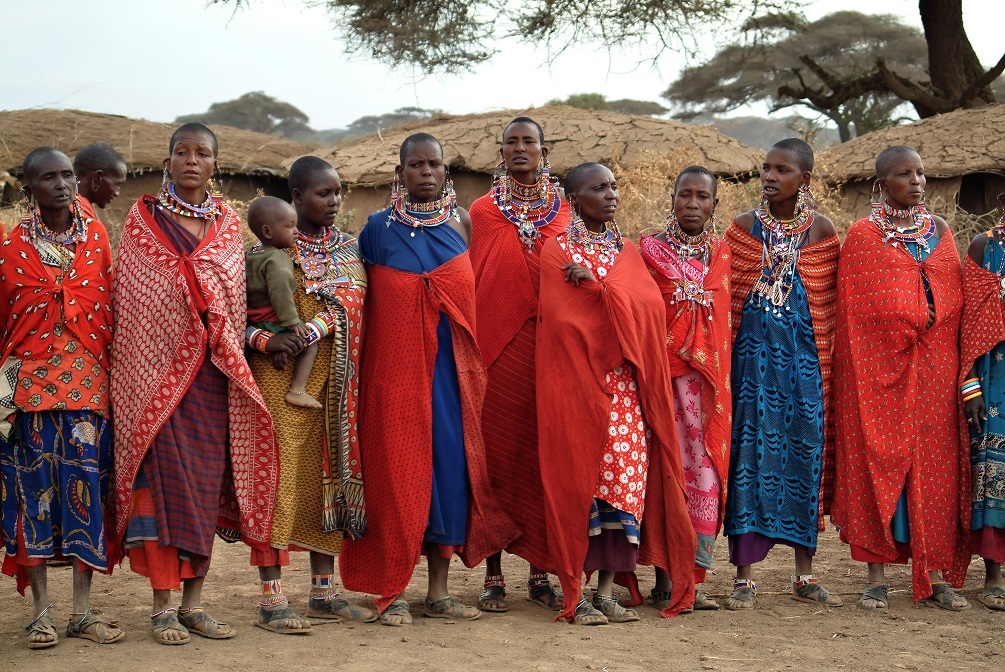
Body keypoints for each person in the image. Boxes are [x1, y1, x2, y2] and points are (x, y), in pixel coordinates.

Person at [111, 123, 279, 644]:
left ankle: (194, 604)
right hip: (153, 383)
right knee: (157, 495)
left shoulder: (228, 227)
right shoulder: (141, 223)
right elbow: (134, 303)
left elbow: (231, 302)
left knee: (203, 490)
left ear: (215, 166)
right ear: (167, 162)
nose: (191, 161)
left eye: (201, 154)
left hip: (210, 380)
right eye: (181, 152)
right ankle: (161, 607)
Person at [340, 133, 516, 626]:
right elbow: (360, 305)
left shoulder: (464, 223)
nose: (425, 172)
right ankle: (391, 589)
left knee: (449, 473)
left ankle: (438, 591)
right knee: (394, 474)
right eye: (415, 165)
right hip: (392, 376)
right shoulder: (375, 231)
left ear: (446, 172)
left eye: (433, 164)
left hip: (451, 377)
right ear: (400, 173)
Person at [536, 162, 696, 625]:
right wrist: (599, 296)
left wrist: (600, 289)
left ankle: (607, 592)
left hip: (627, 391)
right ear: (574, 199)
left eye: (614, 186)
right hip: (576, 387)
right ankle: (577, 593)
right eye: (598, 188)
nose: (611, 195)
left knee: (623, 485)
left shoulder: (627, 251)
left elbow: (647, 311)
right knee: (577, 484)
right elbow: (565, 321)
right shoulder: (555, 251)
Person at [833, 145, 970, 611]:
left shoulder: (942, 233)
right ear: (881, 184)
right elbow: (855, 316)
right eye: (904, 174)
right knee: (878, 459)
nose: (916, 182)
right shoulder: (863, 236)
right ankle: (876, 577)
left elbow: (956, 303)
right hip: (878, 370)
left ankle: (934, 572)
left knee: (936, 467)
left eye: (921, 173)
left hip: (936, 368)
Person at [244, 156, 375, 632]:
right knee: (279, 481)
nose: (334, 201)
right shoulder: (270, 247)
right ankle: (271, 597)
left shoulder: (349, 248)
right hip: (279, 383)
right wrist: (268, 340)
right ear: (297, 199)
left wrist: (315, 327)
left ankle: (324, 592)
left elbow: (357, 303)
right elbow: (238, 315)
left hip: (337, 386)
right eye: (323, 194)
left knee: (331, 473)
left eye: (338, 192)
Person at [0, 147, 122, 648]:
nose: (62, 184)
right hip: (25, 391)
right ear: (29, 190)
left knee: (84, 496)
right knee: (33, 500)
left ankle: (82, 612)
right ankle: (41, 613)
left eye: (67, 175)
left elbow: (109, 306)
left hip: (87, 389)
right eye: (48, 178)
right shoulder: (9, 249)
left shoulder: (96, 239)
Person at [723, 138, 842, 610]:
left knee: (803, 456)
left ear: (805, 179)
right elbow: (725, 301)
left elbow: (833, 308)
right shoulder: (741, 229)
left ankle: (804, 575)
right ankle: (744, 578)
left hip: (806, 367)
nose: (770, 177)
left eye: (782, 170)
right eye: (766, 168)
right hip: (751, 368)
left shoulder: (823, 233)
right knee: (749, 458)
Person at [468, 117, 569, 612]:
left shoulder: (566, 211)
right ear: (501, 151)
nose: (520, 148)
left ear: (544, 150)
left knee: (541, 456)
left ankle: (540, 570)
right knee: (495, 457)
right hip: (495, 351)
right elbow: (476, 277)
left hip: (551, 352)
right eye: (512, 142)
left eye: (529, 141)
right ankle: (492, 573)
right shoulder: (483, 211)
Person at [639, 166, 731, 612]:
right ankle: (664, 578)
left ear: (715, 204)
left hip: (709, 391)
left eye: (702, 196)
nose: (692, 204)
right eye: (684, 195)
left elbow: (724, 324)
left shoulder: (722, 256)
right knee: (666, 475)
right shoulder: (648, 252)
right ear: (672, 199)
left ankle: (692, 578)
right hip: (665, 384)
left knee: (706, 476)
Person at [961, 193, 1005, 612]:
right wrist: (969, 386)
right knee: (993, 471)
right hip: (995, 381)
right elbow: (969, 322)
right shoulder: (985, 247)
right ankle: (992, 575)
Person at [245, 196, 322, 409]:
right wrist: (293, 323)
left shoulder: (250, 253)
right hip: (274, 320)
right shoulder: (278, 260)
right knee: (309, 343)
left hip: (255, 321)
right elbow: (281, 294)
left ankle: (282, 353)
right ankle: (297, 390)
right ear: (268, 232)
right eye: (290, 226)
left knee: (288, 343)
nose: (296, 231)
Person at [72, 142, 127, 219]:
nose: (117, 193)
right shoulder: (82, 220)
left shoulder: (58, 209)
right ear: (97, 178)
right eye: (117, 184)